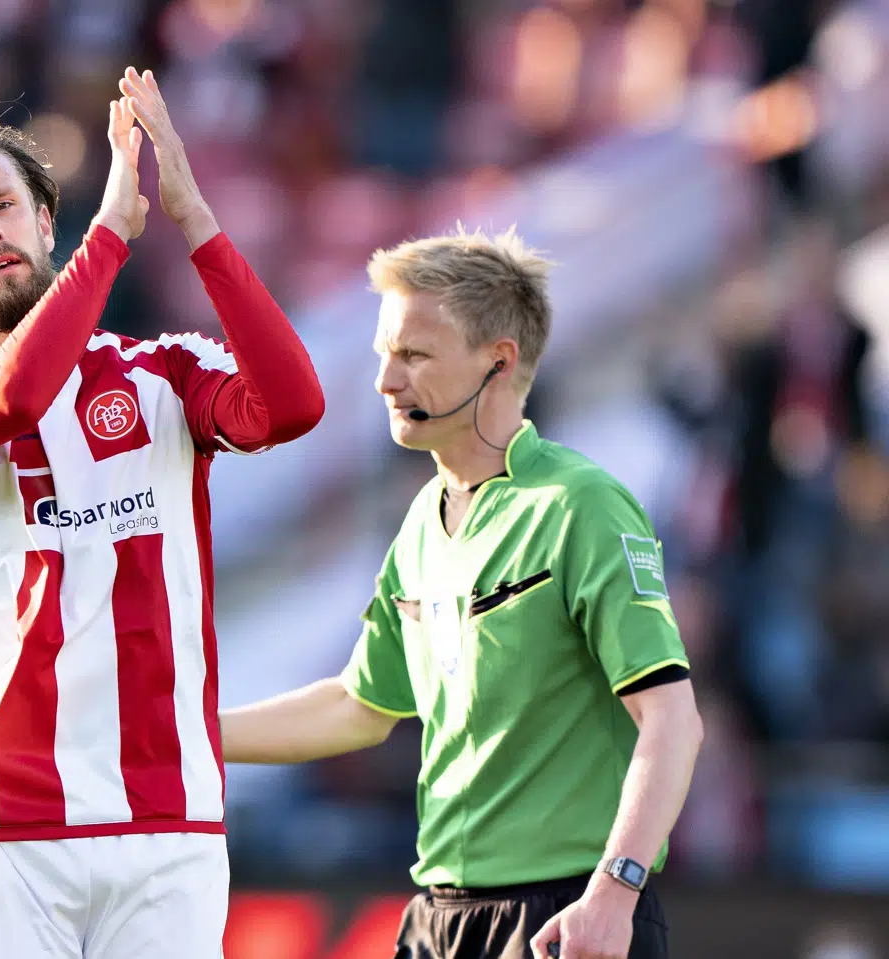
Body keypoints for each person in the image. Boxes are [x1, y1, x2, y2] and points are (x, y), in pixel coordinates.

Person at [0, 67, 324, 958]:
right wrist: (112, 235)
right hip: (4, 827)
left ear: (44, 221)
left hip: (169, 821)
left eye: (2, 205)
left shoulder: (161, 373)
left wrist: (196, 221)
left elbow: (294, 405)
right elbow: (10, 403)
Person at [218, 229, 704, 959]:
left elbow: (673, 720)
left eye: (413, 354)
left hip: (565, 917)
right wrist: (183, 729)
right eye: (385, 353)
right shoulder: (421, 521)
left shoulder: (581, 506)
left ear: (498, 362)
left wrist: (615, 890)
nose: (385, 379)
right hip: (438, 918)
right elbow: (361, 705)